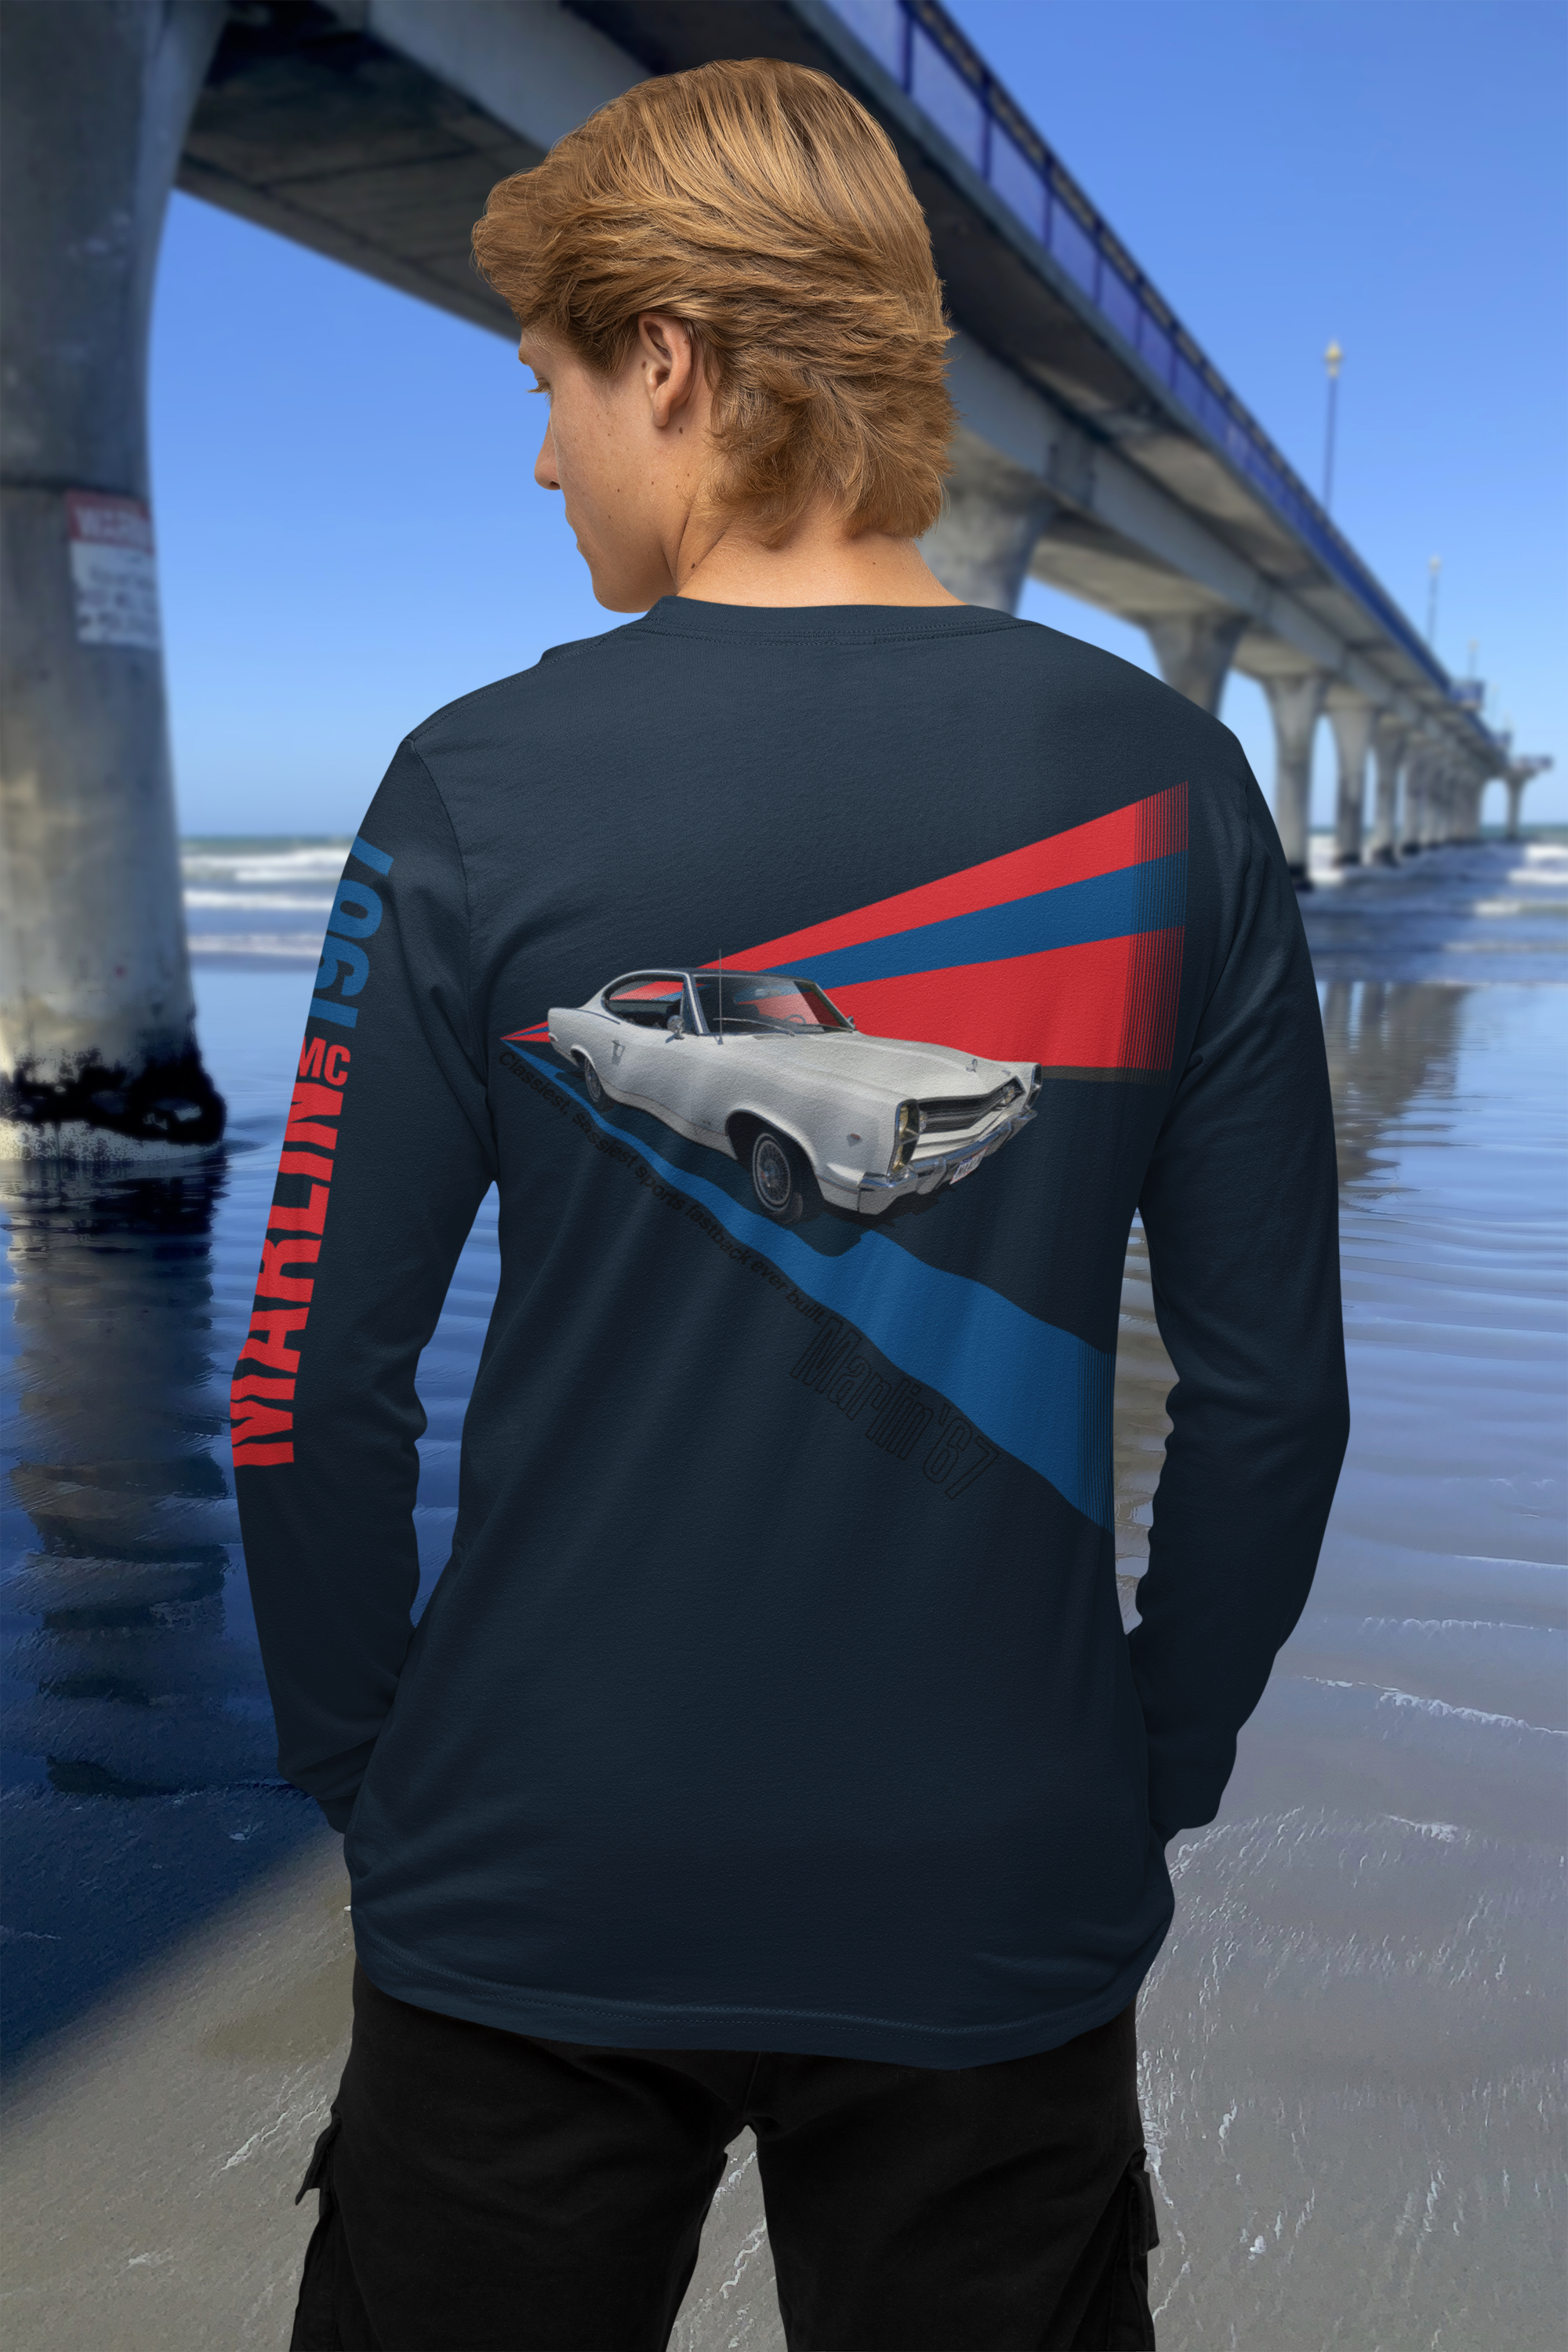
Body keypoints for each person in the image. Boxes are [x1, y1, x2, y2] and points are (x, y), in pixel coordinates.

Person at [234, 56, 1348, 2352]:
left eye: (549, 387)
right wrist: (1151, 1764)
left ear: (674, 359)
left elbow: (301, 1392)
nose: (543, 458)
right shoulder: (1171, 782)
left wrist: (378, 1771)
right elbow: (1268, 1408)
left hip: (535, 1873)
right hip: (990, 1881)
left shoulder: (474, 786)